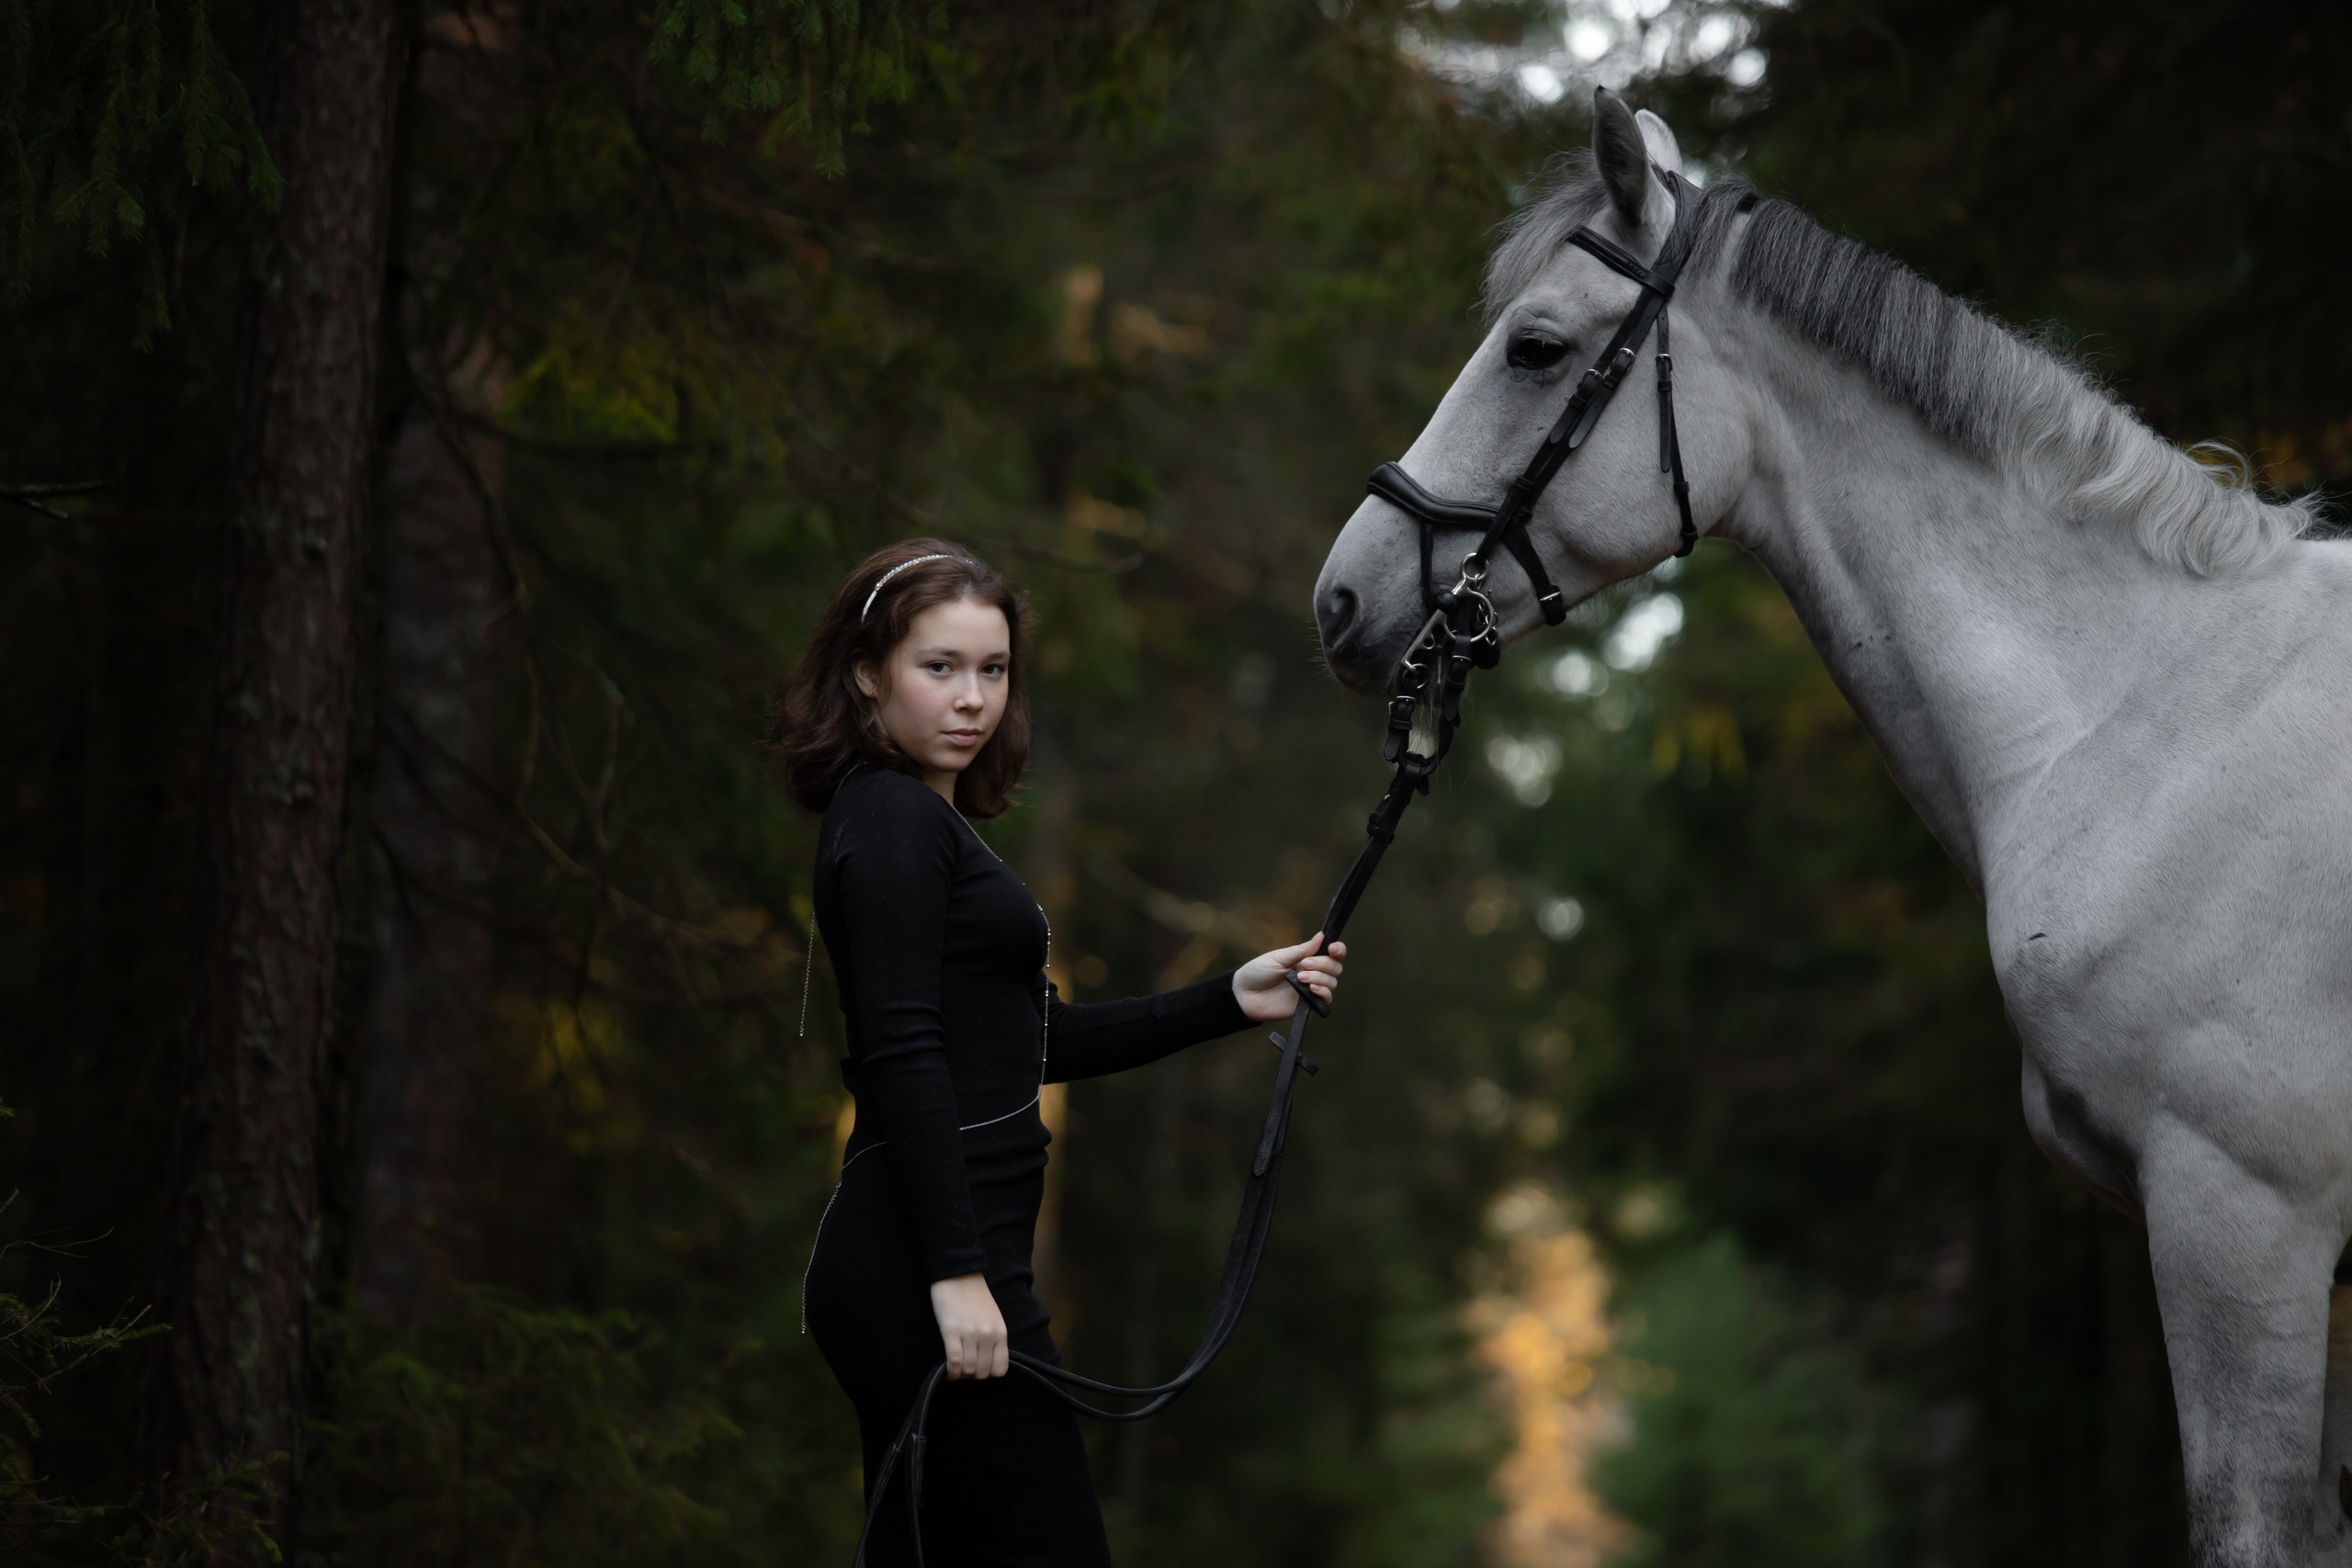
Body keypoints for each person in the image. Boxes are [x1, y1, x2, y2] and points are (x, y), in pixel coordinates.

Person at [773, 541, 1345, 1566]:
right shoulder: (891, 816)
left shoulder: (922, 824)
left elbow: (1026, 1043)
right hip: (929, 1267)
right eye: (938, 667)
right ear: (866, 672)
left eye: (992, 671)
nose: (972, 699)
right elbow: (904, 1049)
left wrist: (1228, 999)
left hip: (942, 1261)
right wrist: (957, 1274)